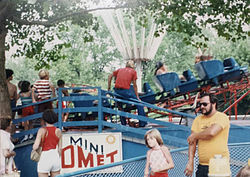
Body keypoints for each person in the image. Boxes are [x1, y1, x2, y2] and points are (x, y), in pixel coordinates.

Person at [184, 93, 230, 177]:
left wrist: (194, 135)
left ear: (214, 103)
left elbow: (211, 133)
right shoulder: (198, 119)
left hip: (220, 164)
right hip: (203, 166)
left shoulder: (222, 117)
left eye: (205, 104)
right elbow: (192, 143)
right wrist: (190, 162)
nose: (201, 107)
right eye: (200, 104)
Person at [108, 60, 147, 127]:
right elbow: (135, 85)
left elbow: (110, 76)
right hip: (125, 91)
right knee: (139, 104)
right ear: (133, 66)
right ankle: (142, 123)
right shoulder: (133, 72)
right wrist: (137, 97)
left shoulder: (120, 70)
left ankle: (123, 124)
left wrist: (108, 88)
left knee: (120, 107)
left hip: (116, 91)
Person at [33, 109, 62, 177]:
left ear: (44, 119)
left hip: (45, 157)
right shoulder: (58, 131)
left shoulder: (41, 130)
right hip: (55, 157)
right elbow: (60, 149)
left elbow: (35, 147)